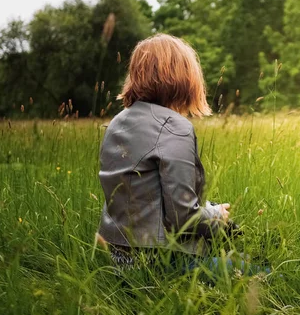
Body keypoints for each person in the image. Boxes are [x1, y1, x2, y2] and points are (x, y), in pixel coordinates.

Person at [97, 33, 253, 277]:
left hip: (119, 260)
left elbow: (145, 196)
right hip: (160, 262)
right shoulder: (174, 126)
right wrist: (216, 216)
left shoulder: (117, 122)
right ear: (184, 78)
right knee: (267, 275)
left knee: (238, 259)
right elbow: (182, 217)